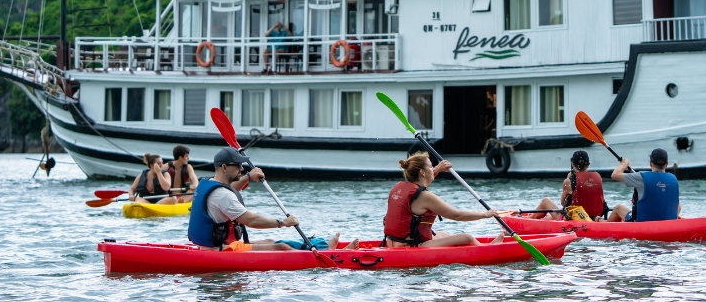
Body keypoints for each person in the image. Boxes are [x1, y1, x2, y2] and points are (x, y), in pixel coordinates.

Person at [188, 147, 357, 251]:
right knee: (281, 247)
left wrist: (248, 177)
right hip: (222, 250)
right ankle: (333, 255)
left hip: (215, 246)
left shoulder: (212, 184)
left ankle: (324, 246)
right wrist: (282, 223)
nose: (241, 168)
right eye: (237, 166)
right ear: (224, 167)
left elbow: (232, 189)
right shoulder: (222, 195)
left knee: (270, 241)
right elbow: (251, 220)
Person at [383, 152, 508, 248]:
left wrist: (437, 169)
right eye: (430, 167)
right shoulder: (424, 196)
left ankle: (480, 247)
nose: (433, 169)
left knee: (442, 234)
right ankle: (486, 250)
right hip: (411, 246)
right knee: (466, 237)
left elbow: (420, 187)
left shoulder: (399, 188)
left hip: (392, 243)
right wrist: (486, 214)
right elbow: (457, 215)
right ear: (422, 172)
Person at [522, 150, 606, 220]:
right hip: (593, 217)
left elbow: (563, 203)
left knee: (545, 201)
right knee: (547, 219)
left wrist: (568, 179)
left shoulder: (568, 181)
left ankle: (530, 219)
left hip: (574, 218)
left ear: (572, 164)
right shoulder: (597, 178)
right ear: (588, 165)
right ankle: (535, 219)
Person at [606, 148, 681, 222]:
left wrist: (624, 164)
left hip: (643, 225)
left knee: (618, 208)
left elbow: (615, 175)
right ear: (667, 164)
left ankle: (603, 224)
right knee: (679, 206)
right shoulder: (674, 178)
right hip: (668, 224)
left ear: (650, 163)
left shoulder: (641, 177)